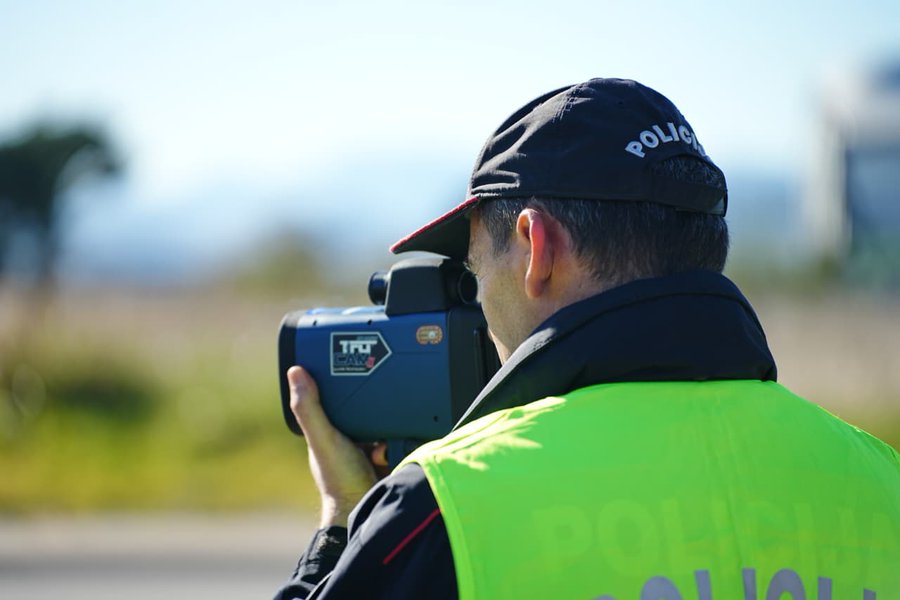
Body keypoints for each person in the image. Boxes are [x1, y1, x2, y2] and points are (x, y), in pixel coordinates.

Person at [274, 78, 900, 599]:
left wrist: (344, 522)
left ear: (536, 247)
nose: (479, 306)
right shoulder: (881, 478)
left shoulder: (447, 506)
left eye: (474, 272)